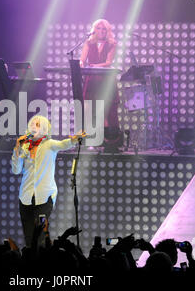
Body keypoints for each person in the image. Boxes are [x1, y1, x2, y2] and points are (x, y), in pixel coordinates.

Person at [11, 115, 86, 247]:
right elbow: (16, 170)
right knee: (29, 237)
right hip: (25, 197)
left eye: (38, 124)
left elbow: (63, 144)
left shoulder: (49, 144)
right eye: (32, 124)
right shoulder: (25, 147)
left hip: (44, 197)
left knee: (40, 235)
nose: (33, 126)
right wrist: (17, 147)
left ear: (45, 129)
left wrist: (74, 139)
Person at [79, 19, 121, 150]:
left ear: (108, 31)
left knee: (105, 110)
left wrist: (94, 66)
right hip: (91, 80)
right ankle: (92, 140)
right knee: (90, 109)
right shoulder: (88, 42)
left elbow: (108, 62)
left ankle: (107, 141)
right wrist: (80, 64)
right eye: (99, 29)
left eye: (104, 29)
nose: (102, 31)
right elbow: (82, 59)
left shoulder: (112, 44)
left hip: (105, 80)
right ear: (94, 30)